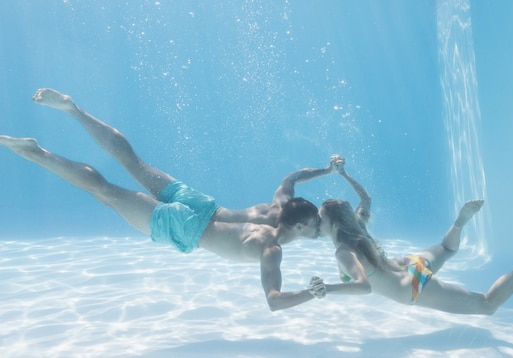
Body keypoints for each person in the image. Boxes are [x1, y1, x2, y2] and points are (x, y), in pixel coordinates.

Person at [0, 88, 337, 311]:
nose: (319, 228)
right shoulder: (272, 248)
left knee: (135, 163)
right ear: (302, 223)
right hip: (190, 229)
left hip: (204, 204)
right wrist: (315, 292)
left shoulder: (279, 205)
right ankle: (37, 153)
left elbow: (290, 178)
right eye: (317, 225)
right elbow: (275, 301)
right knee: (106, 193)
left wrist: (325, 169)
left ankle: (74, 110)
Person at [307, 159, 513, 315]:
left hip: (412, 286)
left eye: (321, 218)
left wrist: (326, 289)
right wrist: (344, 173)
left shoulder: (343, 251)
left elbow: (363, 286)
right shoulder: (358, 227)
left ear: (333, 222)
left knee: (486, 305)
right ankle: (458, 224)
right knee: (447, 247)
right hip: (409, 264)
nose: (318, 223)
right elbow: (365, 199)